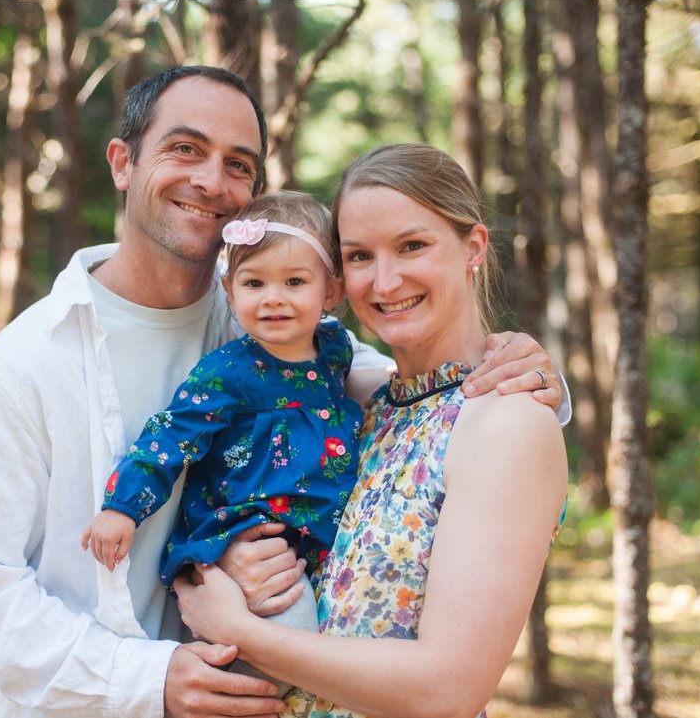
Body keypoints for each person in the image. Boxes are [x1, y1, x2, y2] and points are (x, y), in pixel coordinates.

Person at [0, 65, 566, 718]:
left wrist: (528, 373)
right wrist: (151, 678)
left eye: (238, 164)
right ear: (122, 162)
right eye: (185, 148)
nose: (211, 180)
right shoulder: (25, 365)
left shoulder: (270, 321)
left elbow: (419, 390)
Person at [174, 143, 570, 718]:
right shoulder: (362, 407)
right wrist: (236, 554)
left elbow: (449, 688)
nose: (385, 282)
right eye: (359, 256)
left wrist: (238, 631)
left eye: (412, 246)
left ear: (473, 247)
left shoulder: (506, 421)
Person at [82, 191, 362, 695]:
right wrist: (122, 508)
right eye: (254, 283)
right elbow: (171, 436)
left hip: (312, 548)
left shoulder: (336, 353)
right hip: (248, 547)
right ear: (230, 291)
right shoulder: (229, 372)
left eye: (295, 282)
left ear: (332, 292)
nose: (272, 297)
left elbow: (391, 379)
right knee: (282, 668)